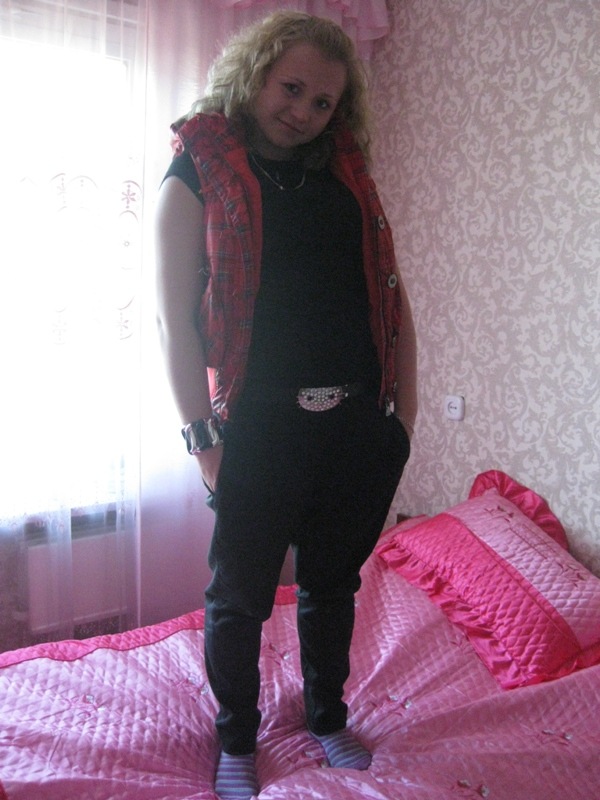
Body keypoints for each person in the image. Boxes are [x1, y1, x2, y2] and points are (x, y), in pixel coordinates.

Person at [155, 11, 417, 800]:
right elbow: (173, 320)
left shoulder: (346, 177)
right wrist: (203, 440)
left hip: (356, 423)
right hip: (258, 426)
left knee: (332, 587)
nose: (302, 111)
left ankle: (327, 716)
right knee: (238, 598)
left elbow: (392, 297)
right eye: (291, 87)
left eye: (323, 102)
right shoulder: (197, 169)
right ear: (256, 73)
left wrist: (402, 422)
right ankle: (237, 736)